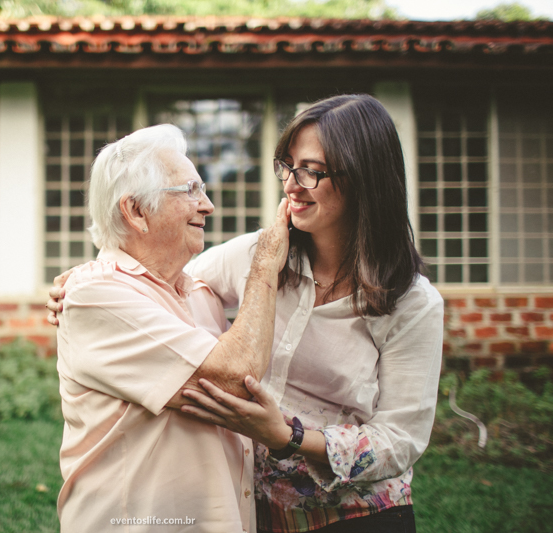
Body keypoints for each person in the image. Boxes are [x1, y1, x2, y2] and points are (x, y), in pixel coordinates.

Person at [49, 94, 444, 533]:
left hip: (357, 515)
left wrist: (291, 439)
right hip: (260, 511)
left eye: (312, 170)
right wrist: (88, 275)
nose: (293, 184)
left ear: (365, 179)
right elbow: (152, 274)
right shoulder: (257, 255)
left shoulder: (412, 303)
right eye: (289, 166)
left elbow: (400, 439)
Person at [55, 123, 290, 533]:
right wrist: (267, 261)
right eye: (190, 191)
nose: (208, 205)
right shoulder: (96, 296)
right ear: (136, 212)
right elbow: (238, 377)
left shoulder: (196, 290)